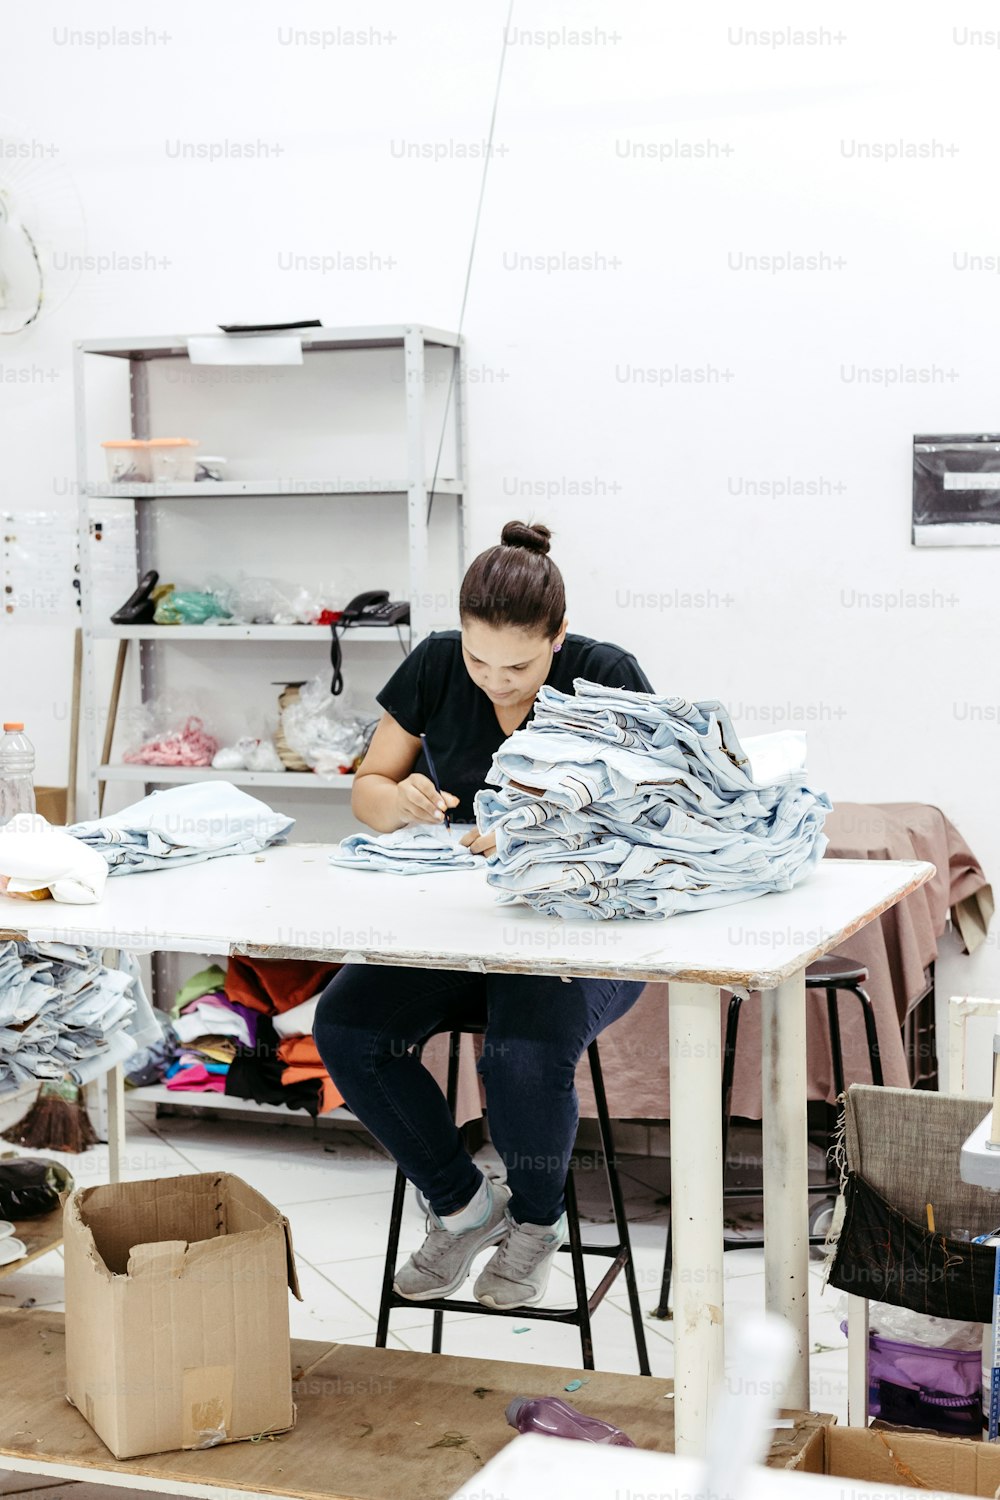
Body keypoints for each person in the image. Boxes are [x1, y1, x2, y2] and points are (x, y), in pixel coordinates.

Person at [313, 520, 653, 1310]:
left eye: (520, 665)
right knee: (349, 1024)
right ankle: (465, 1206)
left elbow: (647, 813)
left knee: (522, 1051)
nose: (496, 680)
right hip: (467, 934)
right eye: (478, 660)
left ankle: (536, 1224)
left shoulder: (607, 675)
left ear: (558, 638)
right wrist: (396, 800)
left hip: (582, 937)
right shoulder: (434, 661)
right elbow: (368, 788)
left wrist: (543, 823)